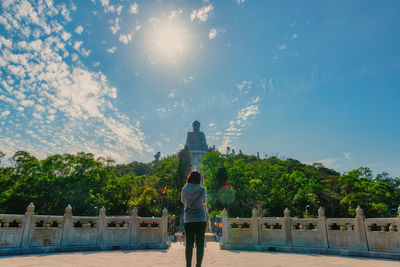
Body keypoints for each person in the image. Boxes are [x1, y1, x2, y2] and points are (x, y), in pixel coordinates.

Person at [181, 170, 207, 267]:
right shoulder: (202, 189)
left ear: (189, 178)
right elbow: (204, 201)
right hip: (201, 219)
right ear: (199, 179)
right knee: (200, 244)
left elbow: (183, 200)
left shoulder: (184, 188)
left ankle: (188, 265)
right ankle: (198, 265)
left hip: (189, 219)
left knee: (189, 244)